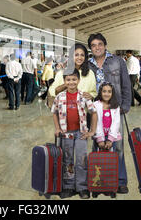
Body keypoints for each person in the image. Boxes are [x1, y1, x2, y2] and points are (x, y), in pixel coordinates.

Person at [88, 33, 131, 194]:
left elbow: (126, 84)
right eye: (93, 45)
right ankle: (98, 179)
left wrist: (125, 106)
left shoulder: (117, 61)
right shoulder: (88, 65)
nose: (97, 47)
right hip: (95, 112)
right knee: (96, 144)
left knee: (118, 145)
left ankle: (120, 181)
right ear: (90, 48)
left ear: (105, 45)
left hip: (115, 110)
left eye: (99, 44)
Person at [51, 68, 97, 199]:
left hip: (81, 133)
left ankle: (82, 186)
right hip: (66, 134)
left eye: (74, 79)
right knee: (68, 160)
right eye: (68, 80)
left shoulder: (84, 95)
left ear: (79, 80)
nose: (71, 82)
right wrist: (57, 128)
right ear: (64, 81)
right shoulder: (60, 97)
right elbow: (54, 112)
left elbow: (93, 113)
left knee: (82, 160)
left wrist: (92, 131)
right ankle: (68, 186)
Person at [92, 82, 124, 185]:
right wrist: (100, 139)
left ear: (112, 93)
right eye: (104, 91)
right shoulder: (96, 105)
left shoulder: (115, 106)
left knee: (111, 160)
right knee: (98, 161)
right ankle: (98, 182)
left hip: (112, 138)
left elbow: (116, 123)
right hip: (99, 137)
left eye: (109, 91)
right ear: (100, 92)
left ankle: (110, 181)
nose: (106, 94)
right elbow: (96, 123)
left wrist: (110, 139)